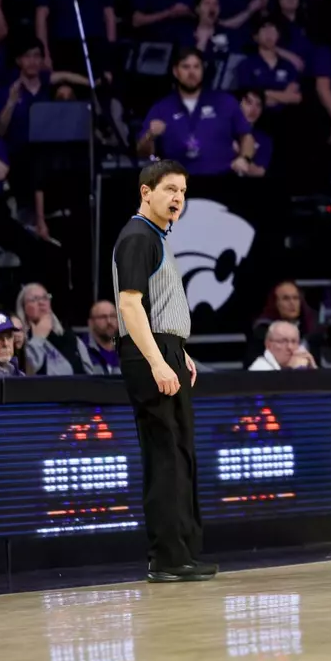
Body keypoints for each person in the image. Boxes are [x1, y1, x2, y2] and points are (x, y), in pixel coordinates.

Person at [113, 161, 214, 583]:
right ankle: (166, 556)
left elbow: (158, 304)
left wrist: (178, 351)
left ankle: (182, 552)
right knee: (165, 455)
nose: (178, 198)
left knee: (179, 453)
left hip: (165, 348)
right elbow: (129, 304)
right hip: (149, 353)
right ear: (146, 192)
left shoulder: (155, 236)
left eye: (183, 192)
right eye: (170, 189)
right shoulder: (138, 236)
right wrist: (157, 360)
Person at [16, 283, 82, 375]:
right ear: (23, 307)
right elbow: (25, 372)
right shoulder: (17, 338)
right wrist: (38, 338)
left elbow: (90, 375)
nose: (41, 303)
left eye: (45, 298)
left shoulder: (70, 337)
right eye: (34, 299)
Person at [247, 320, 317, 370]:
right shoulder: (260, 368)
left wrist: (314, 371)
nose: (290, 347)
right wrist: (292, 371)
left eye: (294, 341)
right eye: (283, 341)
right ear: (268, 344)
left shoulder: (300, 365)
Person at [79, 300, 120, 374]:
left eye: (113, 316)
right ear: (91, 322)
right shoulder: (81, 350)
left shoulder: (126, 349)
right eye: (103, 317)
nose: (109, 321)